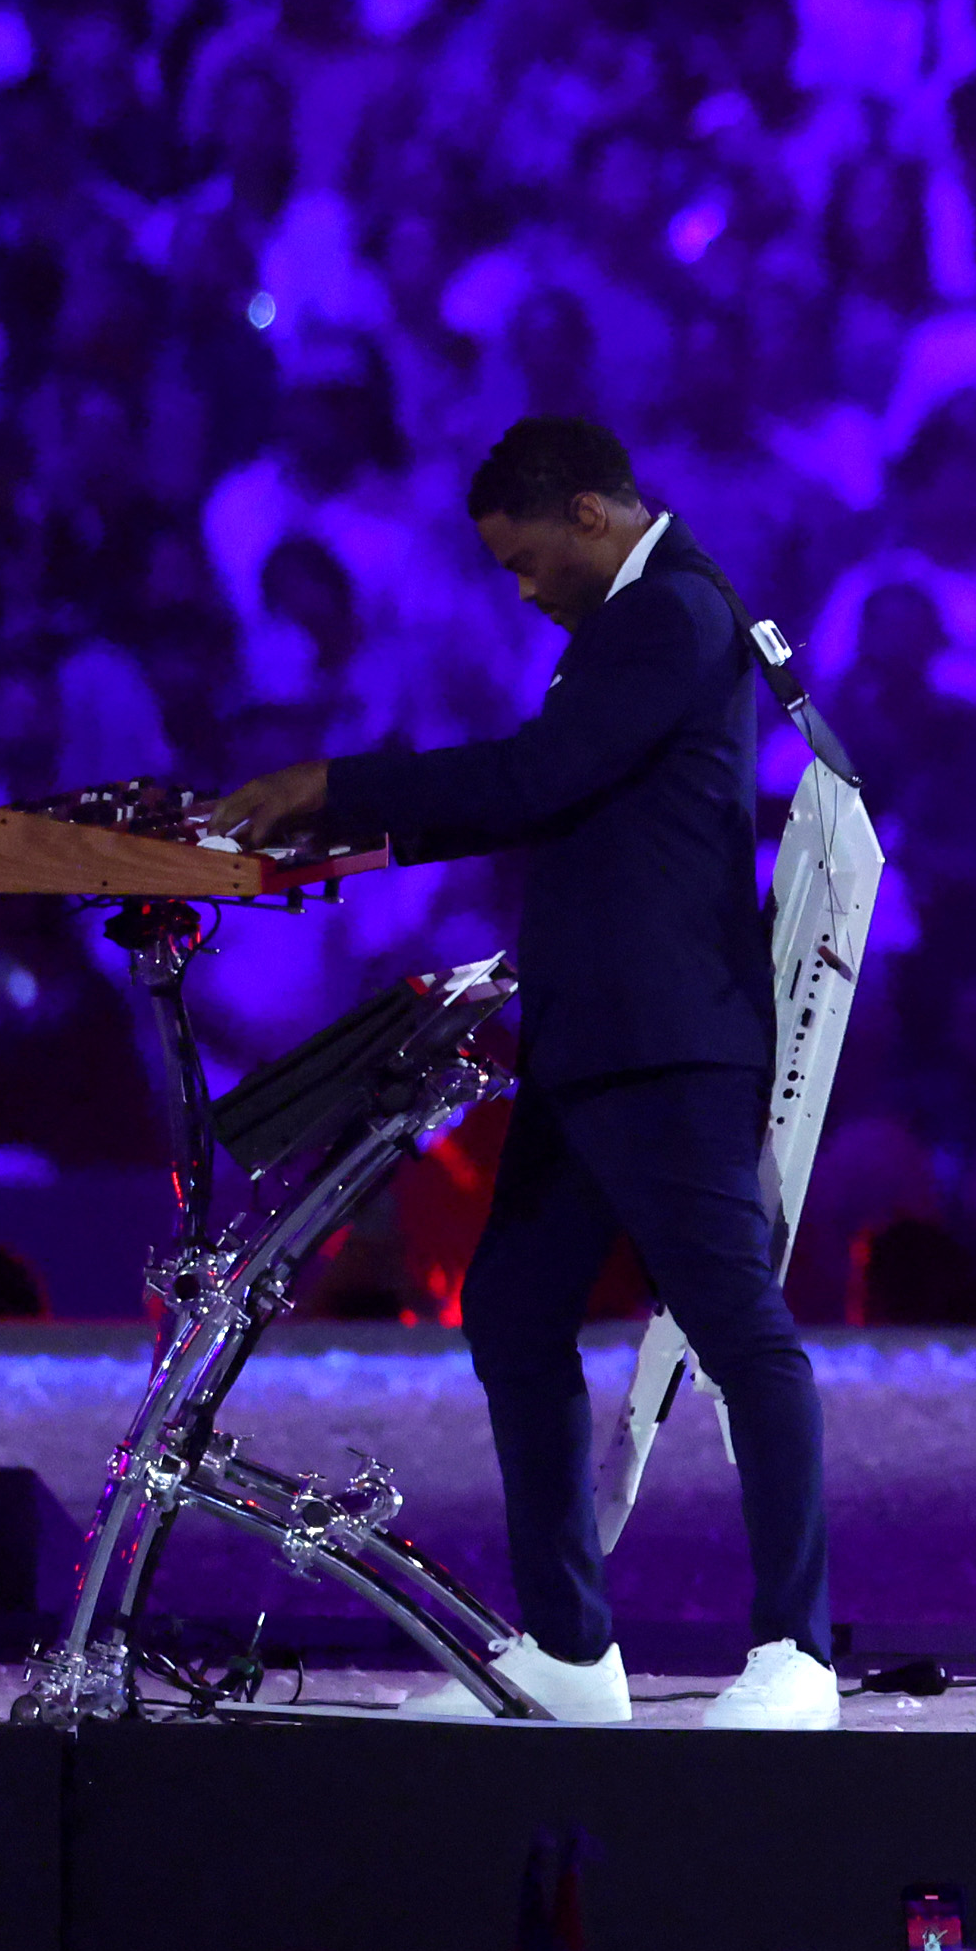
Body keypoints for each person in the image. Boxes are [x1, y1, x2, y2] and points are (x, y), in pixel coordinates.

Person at [211, 417, 834, 1733]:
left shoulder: (672, 615)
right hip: (600, 1038)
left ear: (594, 518)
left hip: (665, 1045)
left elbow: (535, 778)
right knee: (511, 1306)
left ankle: (799, 1653)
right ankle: (567, 1650)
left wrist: (337, 786)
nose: (524, 587)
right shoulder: (642, 620)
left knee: (737, 1335)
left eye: (528, 559)